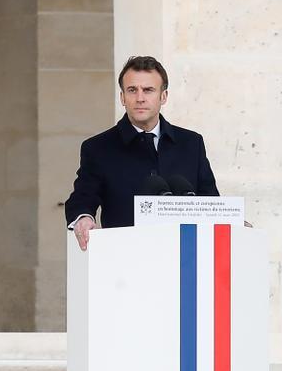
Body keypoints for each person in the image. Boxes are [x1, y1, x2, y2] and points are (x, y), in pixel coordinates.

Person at [64, 55, 219, 250]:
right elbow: (82, 198)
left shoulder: (191, 143)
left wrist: (236, 225)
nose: (140, 98)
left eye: (148, 90)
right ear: (122, 97)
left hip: (186, 260)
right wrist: (83, 218)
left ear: (163, 96)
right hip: (124, 258)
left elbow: (211, 201)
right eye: (132, 90)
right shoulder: (98, 148)